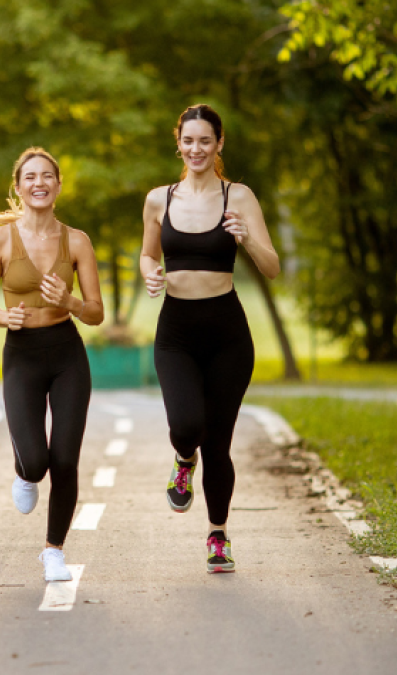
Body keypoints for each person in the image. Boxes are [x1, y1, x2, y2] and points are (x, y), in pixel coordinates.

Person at [139, 104, 280, 573]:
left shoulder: (237, 196)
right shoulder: (159, 199)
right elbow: (145, 254)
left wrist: (247, 239)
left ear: (219, 144)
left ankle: (217, 536)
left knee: (218, 443)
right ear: (177, 143)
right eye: (188, 140)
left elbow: (272, 266)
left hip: (227, 335)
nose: (196, 149)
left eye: (205, 141)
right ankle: (183, 459)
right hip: (176, 332)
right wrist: (151, 274)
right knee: (187, 426)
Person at [0, 147, 105, 582]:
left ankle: (54, 551)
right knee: (36, 461)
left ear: (58, 185)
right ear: (18, 186)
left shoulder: (77, 241)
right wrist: (3, 316)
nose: (39, 183)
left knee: (65, 459)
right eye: (30, 177)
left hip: (67, 353)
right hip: (21, 356)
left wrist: (67, 301)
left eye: (47, 176)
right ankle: (25, 473)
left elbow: (95, 312)